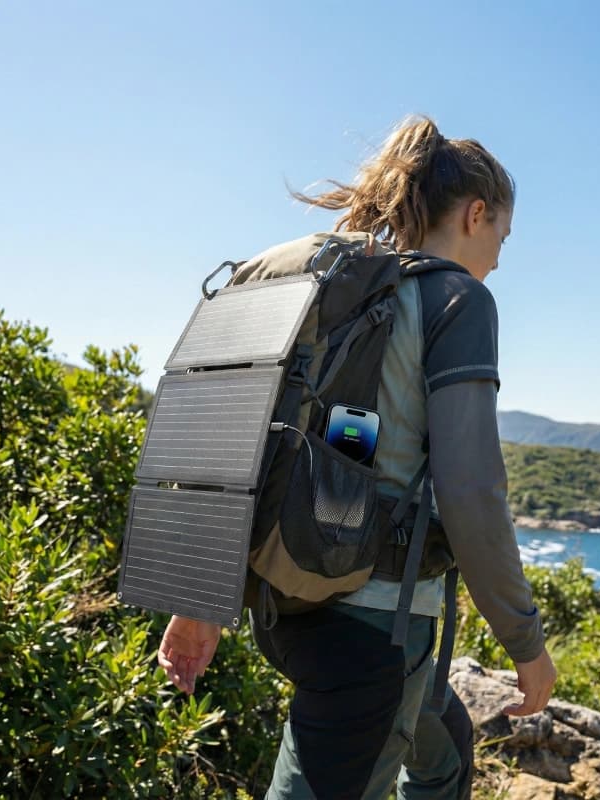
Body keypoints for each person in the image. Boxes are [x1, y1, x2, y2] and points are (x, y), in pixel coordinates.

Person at [158, 114, 557, 799]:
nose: (499, 256)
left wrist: (200, 598)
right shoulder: (459, 301)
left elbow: (341, 443)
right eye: (502, 236)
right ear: (476, 213)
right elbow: (472, 494)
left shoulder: (354, 294)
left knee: (444, 750)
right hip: (374, 627)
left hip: (288, 606)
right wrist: (527, 644)